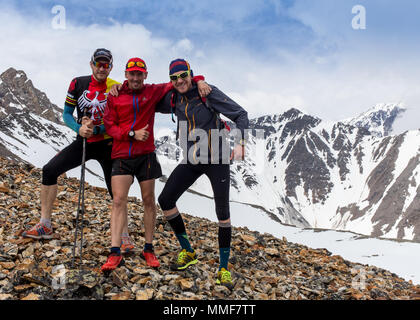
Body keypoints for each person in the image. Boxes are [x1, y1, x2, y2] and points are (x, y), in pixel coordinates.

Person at [101, 57, 210, 271]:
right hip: (122, 153)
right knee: (118, 200)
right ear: (125, 74)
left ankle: (148, 249)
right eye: (131, 74)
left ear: (145, 75)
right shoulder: (115, 95)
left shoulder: (152, 91)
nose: (135, 77)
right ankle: (114, 252)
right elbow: (109, 126)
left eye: (139, 74)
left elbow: (179, 81)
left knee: (149, 201)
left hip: (146, 155)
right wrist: (131, 134)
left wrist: (199, 80)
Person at [22, 48, 134, 253]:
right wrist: (78, 128)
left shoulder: (115, 88)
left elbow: (118, 120)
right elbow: (66, 113)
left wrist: (97, 129)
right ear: (91, 64)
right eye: (98, 64)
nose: (102, 68)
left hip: (108, 143)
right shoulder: (77, 83)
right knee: (49, 170)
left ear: (110, 67)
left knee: (116, 191)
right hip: (83, 141)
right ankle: (45, 223)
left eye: (106, 64)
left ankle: (124, 236)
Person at [156, 59, 249, 290]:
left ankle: (224, 269)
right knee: (165, 200)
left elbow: (241, 114)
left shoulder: (207, 93)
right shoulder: (173, 98)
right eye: (174, 77)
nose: (179, 80)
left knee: (222, 213)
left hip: (217, 159)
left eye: (183, 75)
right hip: (192, 160)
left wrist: (240, 143)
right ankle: (188, 252)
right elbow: (148, 97)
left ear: (190, 73)